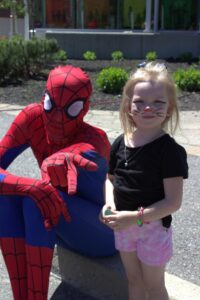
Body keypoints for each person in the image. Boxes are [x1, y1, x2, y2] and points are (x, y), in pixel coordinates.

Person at [0, 65, 116, 300]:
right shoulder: (32, 118)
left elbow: (87, 151)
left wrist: (67, 157)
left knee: (38, 201)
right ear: (44, 98)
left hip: (104, 233)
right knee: (14, 196)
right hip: (58, 225)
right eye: (50, 105)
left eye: (71, 109)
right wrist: (29, 185)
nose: (56, 118)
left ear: (84, 109)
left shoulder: (96, 140)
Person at [100, 62, 188, 300]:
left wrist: (135, 216)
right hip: (123, 225)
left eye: (158, 102)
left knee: (154, 286)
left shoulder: (169, 151)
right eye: (139, 101)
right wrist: (109, 205)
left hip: (152, 229)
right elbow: (110, 179)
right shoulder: (120, 142)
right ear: (129, 106)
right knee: (134, 280)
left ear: (169, 109)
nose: (148, 108)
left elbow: (172, 202)